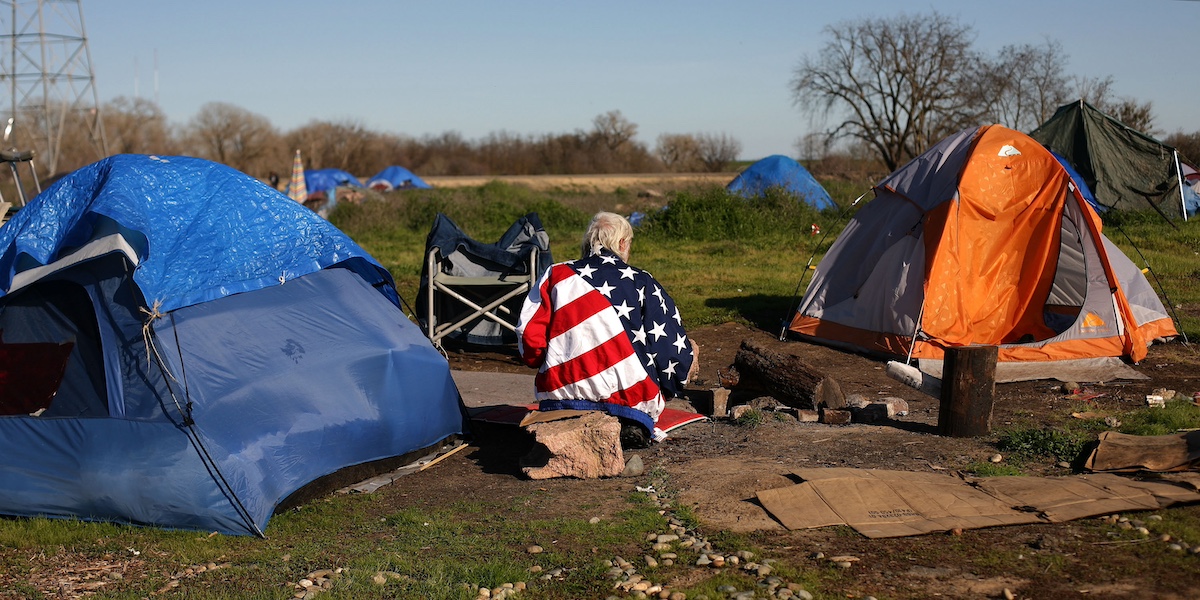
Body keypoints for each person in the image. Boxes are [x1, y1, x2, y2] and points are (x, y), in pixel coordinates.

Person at [515, 211, 698, 446]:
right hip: (630, 399)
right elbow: (670, 349)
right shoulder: (642, 281)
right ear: (622, 243)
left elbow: (529, 335)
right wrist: (675, 382)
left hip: (561, 394)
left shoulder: (556, 275)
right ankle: (629, 424)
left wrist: (543, 361)